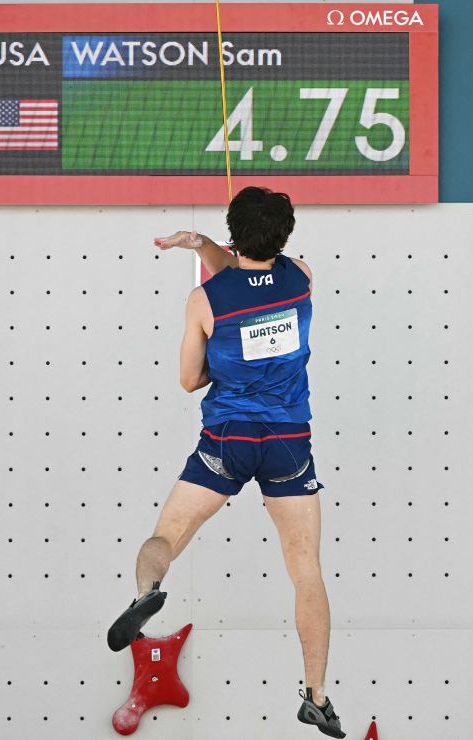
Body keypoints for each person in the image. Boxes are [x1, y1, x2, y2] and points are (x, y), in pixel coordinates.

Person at [106, 186, 345, 738]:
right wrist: (208, 247)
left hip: (225, 441)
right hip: (288, 443)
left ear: (234, 233)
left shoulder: (205, 301)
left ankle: (145, 595)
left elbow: (190, 380)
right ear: (285, 235)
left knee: (164, 539)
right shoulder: (302, 277)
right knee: (305, 569)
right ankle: (317, 696)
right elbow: (255, 273)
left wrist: (207, 255)